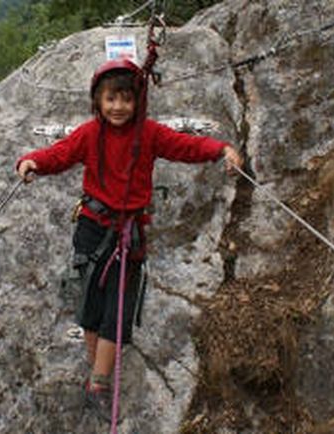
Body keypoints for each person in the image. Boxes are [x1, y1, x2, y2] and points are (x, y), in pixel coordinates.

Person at [16, 58, 243, 419]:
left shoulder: (149, 134)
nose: (118, 107)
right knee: (90, 307)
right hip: (92, 230)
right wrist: (32, 162)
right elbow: (60, 154)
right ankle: (99, 371)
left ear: (138, 102)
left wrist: (220, 150)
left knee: (117, 311)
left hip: (128, 233)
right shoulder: (90, 135)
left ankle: (99, 382)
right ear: (98, 101)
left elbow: (185, 145)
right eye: (110, 99)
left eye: (126, 99)